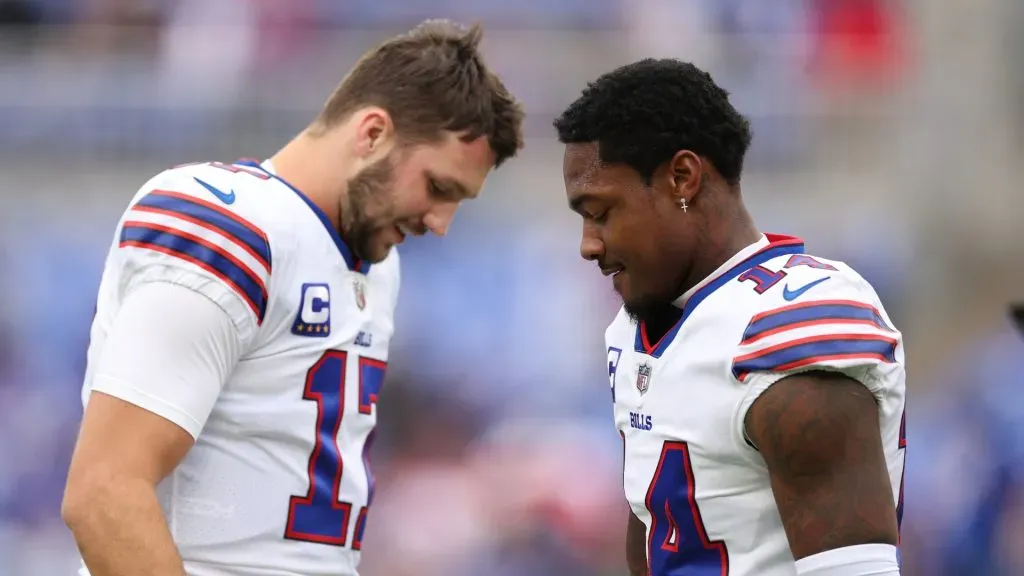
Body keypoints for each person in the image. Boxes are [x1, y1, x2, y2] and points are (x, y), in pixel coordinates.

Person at [61, 20, 524, 576]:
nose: (441, 222)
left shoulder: (376, 264)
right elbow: (104, 491)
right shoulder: (229, 228)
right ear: (372, 134)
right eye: (437, 188)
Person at [553, 58, 905, 576]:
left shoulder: (787, 324)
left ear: (683, 178)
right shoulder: (635, 330)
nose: (588, 244)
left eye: (601, 212)